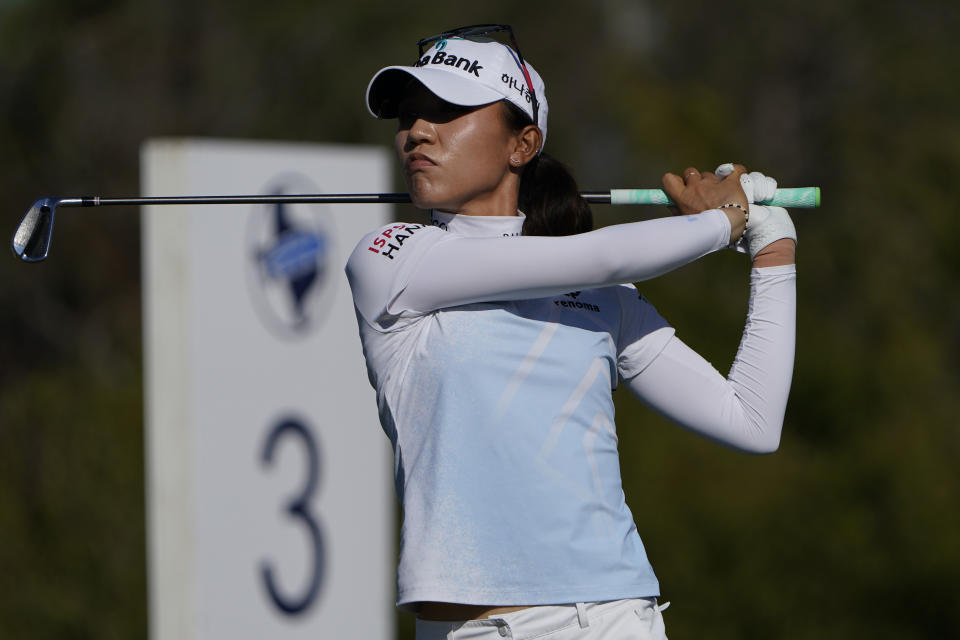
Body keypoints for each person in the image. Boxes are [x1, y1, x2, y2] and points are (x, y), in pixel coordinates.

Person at [346, 24, 797, 640]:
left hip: (617, 618)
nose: (417, 132)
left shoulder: (604, 299)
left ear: (522, 143)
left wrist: (772, 250)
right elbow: (598, 256)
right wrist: (724, 219)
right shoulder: (391, 258)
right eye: (410, 115)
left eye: (448, 111)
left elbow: (751, 421)